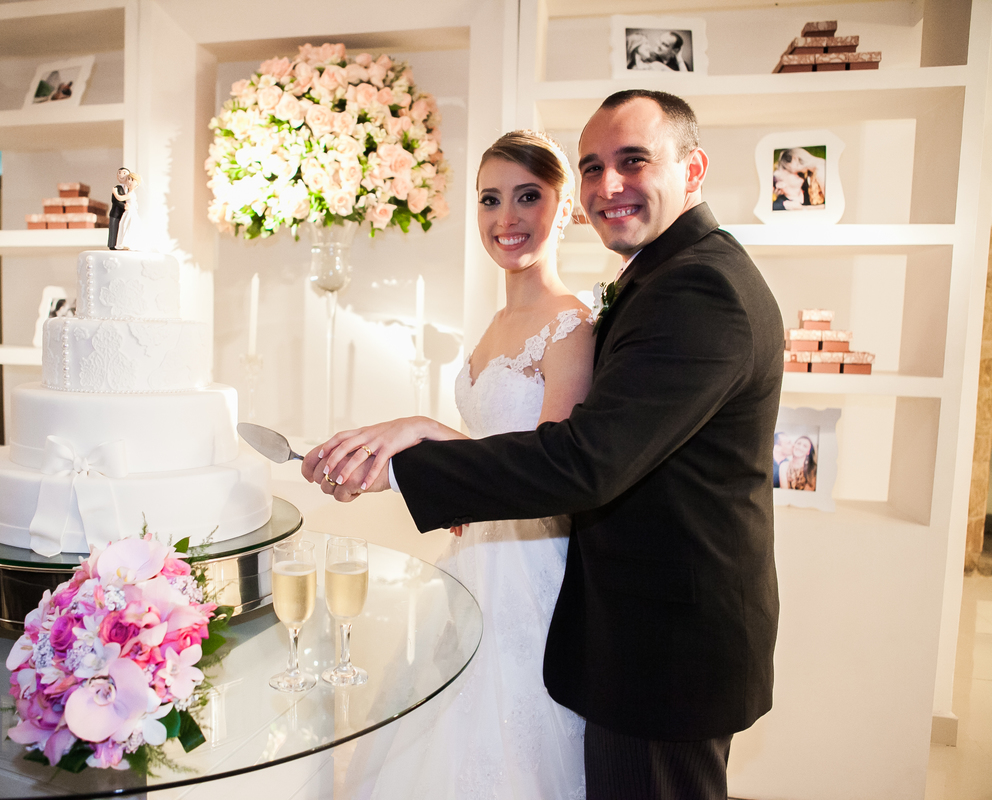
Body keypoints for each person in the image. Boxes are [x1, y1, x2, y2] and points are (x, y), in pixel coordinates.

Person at [306, 89, 784, 800]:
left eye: (633, 161)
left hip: (665, 644)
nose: (608, 186)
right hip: (630, 621)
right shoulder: (661, 276)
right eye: (593, 167)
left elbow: (582, 461)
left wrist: (410, 459)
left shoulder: (698, 289)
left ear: (693, 167)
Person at [330, 130, 594, 799]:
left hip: (532, 569)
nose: (506, 217)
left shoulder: (571, 326)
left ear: (564, 207)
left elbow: (552, 472)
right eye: (490, 199)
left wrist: (422, 431)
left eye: (528, 196)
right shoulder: (497, 323)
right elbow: (490, 448)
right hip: (477, 553)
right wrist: (464, 497)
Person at [113, 172, 144, 250]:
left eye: (132, 180)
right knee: (124, 226)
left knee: (128, 226)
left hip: (130, 213)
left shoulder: (131, 194)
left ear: (136, 184)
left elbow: (120, 198)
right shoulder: (130, 193)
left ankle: (128, 243)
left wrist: (115, 192)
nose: (129, 182)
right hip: (128, 212)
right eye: (128, 179)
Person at [108, 167, 130, 249]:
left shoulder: (128, 189)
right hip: (116, 212)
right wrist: (124, 206)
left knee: (121, 228)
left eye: (124, 173)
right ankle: (112, 245)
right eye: (119, 173)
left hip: (124, 214)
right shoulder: (117, 188)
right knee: (114, 228)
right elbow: (115, 201)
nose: (121, 175)